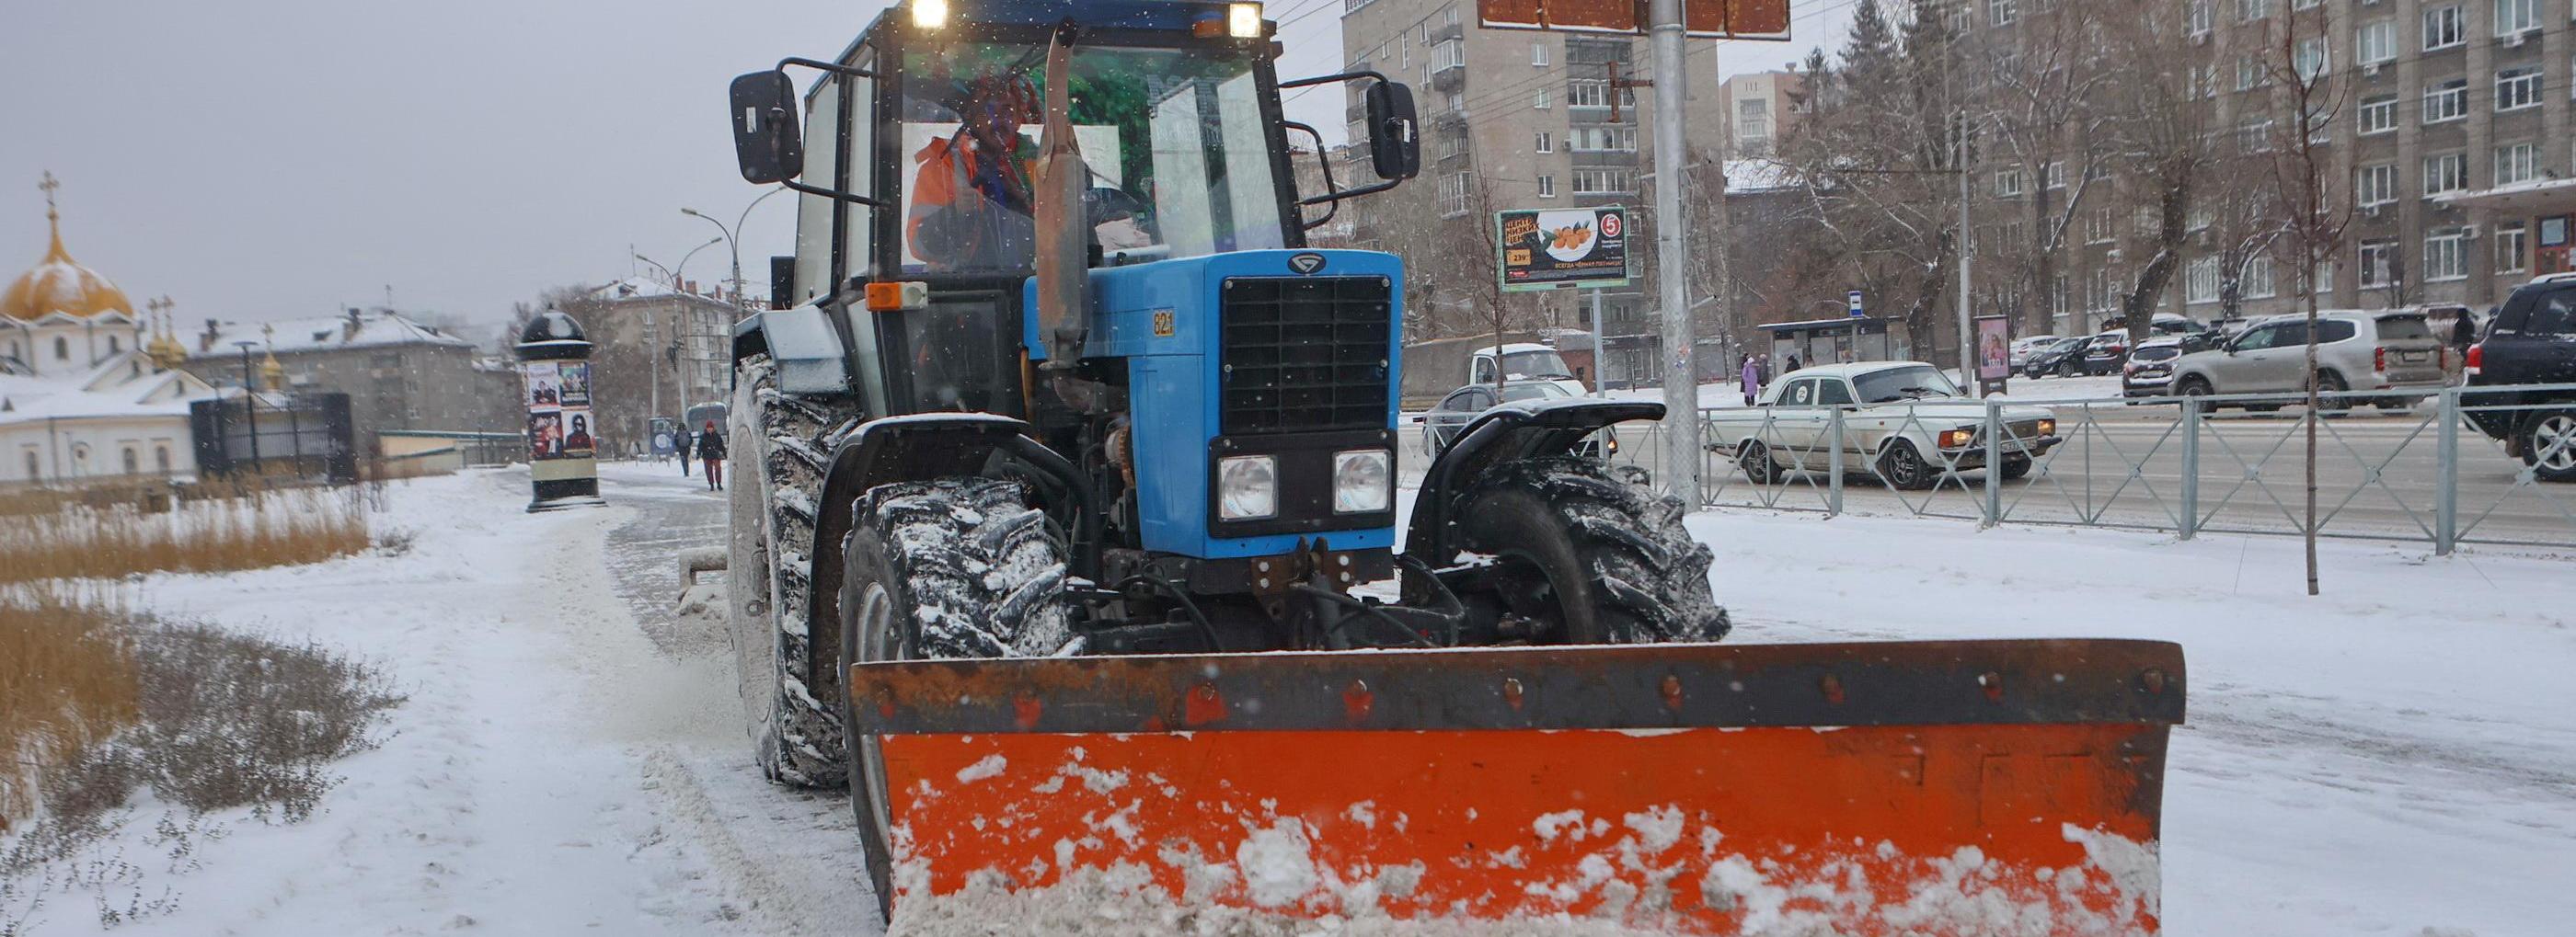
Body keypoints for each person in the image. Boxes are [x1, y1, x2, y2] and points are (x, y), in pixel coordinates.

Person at [907, 74, 1041, 271]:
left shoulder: (1043, 162)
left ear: (1019, 117)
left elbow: (1068, 225)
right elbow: (920, 246)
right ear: (970, 117)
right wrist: (954, 213)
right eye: (988, 110)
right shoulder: (943, 167)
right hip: (966, 288)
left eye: (1007, 109)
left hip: (1036, 282)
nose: (998, 119)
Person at [696, 420, 727, 492]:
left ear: (713, 428)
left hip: (715, 455)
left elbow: (721, 445)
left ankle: (719, 483)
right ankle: (711, 484)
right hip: (707, 455)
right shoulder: (703, 437)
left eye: (711, 427)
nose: (709, 429)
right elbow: (700, 446)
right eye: (708, 428)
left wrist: (724, 453)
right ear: (706, 428)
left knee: (718, 469)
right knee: (708, 470)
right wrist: (698, 453)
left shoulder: (717, 436)